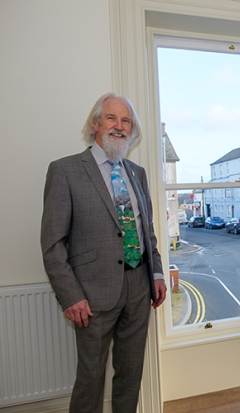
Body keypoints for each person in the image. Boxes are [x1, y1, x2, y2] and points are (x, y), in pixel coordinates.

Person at [41, 92, 167, 413]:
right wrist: (70, 296)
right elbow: (53, 243)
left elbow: (146, 229)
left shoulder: (136, 172)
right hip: (92, 295)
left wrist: (156, 273)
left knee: (130, 374)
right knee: (91, 379)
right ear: (96, 123)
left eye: (126, 121)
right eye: (112, 118)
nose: (119, 126)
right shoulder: (65, 170)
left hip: (139, 290)